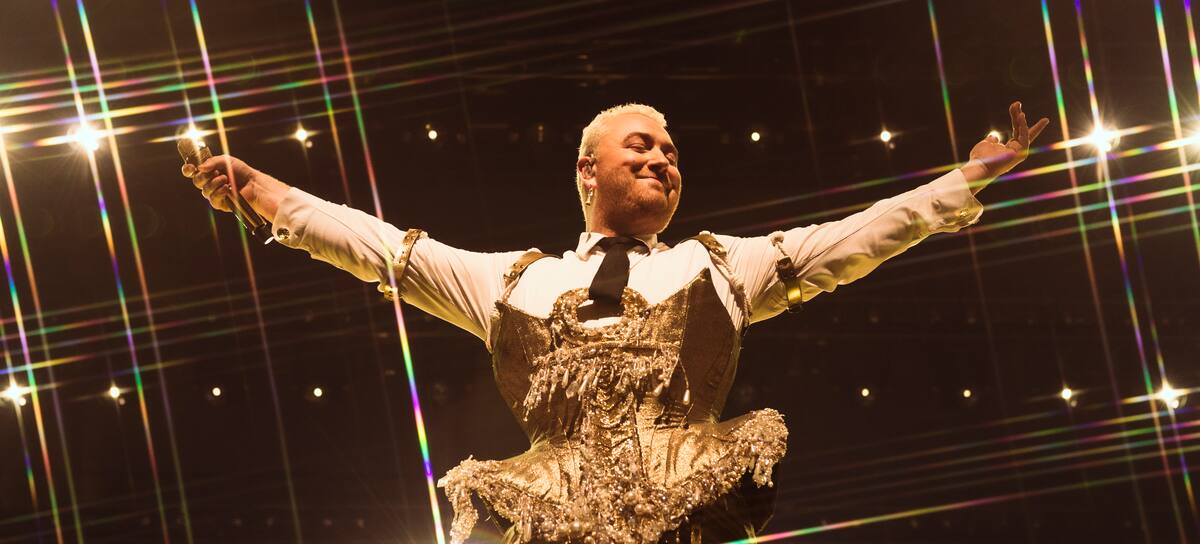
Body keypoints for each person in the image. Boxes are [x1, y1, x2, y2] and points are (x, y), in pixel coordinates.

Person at [191, 102, 1048, 543]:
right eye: (640, 146)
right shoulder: (510, 282)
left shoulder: (721, 266)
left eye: (670, 153)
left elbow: (854, 238)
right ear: (586, 169)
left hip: (688, 516)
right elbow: (380, 250)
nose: (661, 160)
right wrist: (263, 193)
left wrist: (964, 182)